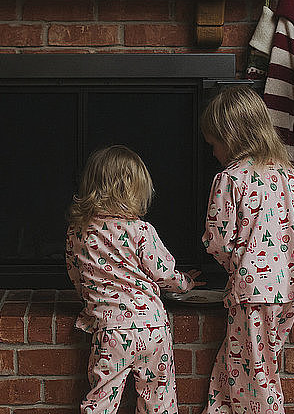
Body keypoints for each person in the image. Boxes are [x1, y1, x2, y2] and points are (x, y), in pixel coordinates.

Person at [200, 86, 294, 414]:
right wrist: (290, 266)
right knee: (237, 368)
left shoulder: (230, 179)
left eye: (213, 143)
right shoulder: (293, 179)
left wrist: (240, 266)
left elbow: (216, 240)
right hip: (288, 293)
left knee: (259, 381)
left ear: (229, 137)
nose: (212, 151)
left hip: (253, 293)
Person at [66, 145, 204, 414]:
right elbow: (164, 273)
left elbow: (75, 273)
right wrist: (185, 283)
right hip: (152, 328)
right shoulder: (140, 231)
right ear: (133, 191)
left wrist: (90, 299)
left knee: (101, 400)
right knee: (158, 401)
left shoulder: (78, 232)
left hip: (110, 331)